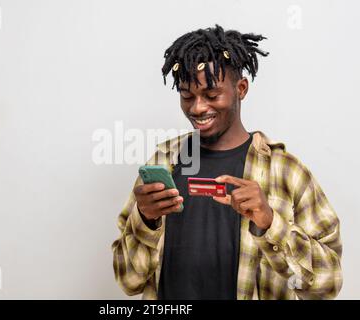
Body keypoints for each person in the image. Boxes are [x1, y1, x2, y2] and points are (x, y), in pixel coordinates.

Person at [112, 25, 342, 300]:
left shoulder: (286, 172)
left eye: (211, 95)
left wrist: (270, 224)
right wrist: (146, 221)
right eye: (187, 96)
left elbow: (328, 284)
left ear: (241, 88)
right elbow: (129, 281)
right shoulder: (165, 160)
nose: (197, 108)